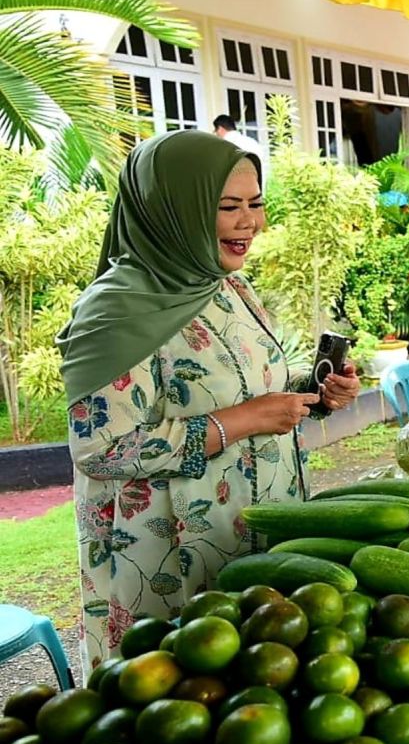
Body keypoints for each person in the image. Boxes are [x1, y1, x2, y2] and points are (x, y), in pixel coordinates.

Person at [58, 131, 361, 670]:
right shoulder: (116, 310)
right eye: (228, 207)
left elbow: (237, 385)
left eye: (257, 204)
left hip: (249, 537)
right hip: (164, 563)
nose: (251, 222)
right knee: (173, 705)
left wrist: (311, 393)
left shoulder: (225, 285)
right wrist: (242, 421)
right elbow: (101, 450)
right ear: (173, 210)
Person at [213, 114, 268, 183]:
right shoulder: (252, 142)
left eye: (215, 131)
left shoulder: (225, 145)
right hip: (256, 187)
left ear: (220, 129)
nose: (216, 134)